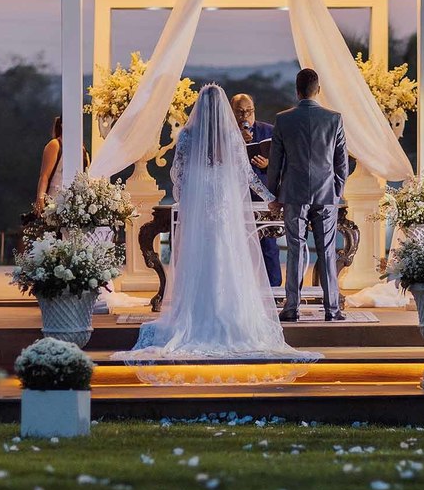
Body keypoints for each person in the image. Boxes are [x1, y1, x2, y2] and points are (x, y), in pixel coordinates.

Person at [114, 85, 317, 362]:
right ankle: (228, 316)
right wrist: (271, 198)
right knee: (227, 257)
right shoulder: (231, 137)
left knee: (199, 259)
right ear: (223, 110)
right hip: (223, 207)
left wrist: (187, 202)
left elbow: (179, 176)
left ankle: (197, 316)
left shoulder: (187, 135)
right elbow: (248, 176)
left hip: (200, 207)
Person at [268, 69, 349, 323]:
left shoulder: (283, 120)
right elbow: (342, 164)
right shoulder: (334, 119)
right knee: (326, 251)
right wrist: (336, 191)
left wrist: (274, 195)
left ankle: (291, 307)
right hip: (326, 194)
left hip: (293, 193)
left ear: (297, 90)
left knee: (295, 249)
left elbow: (275, 163)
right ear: (318, 89)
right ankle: (332, 309)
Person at [232, 92, 281, 288]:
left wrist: (268, 164)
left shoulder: (269, 131)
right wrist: (238, 142)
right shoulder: (226, 133)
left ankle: (274, 288)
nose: (245, 117)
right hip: (235, 196)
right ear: (232, 113)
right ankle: (241, 290)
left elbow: (284, 162)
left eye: (249, 111)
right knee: (236, 246)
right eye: (240, 112)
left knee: (268, 244)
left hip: (263, 196)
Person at [35, 116, 89, 215]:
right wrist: (40, 199)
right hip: (53, 203)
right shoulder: (55, 145)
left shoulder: (82, 150)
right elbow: (45, 176)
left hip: (76, 206)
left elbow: (86, 177)